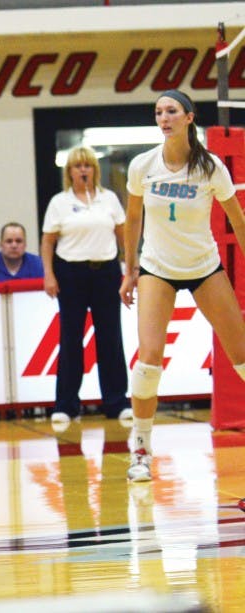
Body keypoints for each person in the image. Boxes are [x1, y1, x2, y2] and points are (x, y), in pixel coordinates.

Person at [120, 89, 245, 482]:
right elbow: (133, 219)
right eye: (159, 112)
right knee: (148, 362)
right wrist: (130, 268)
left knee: (242, 355)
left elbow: (237, 220)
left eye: (172, 111)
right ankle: (141, 449)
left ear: (189, 117)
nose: (164, 117)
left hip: (204, 266)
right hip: (157, 268)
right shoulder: (142, 165)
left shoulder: (211, 168)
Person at [41, 145, 128, 426]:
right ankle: (66, 405)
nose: (83, 170)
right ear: (69, 172)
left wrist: (131, 268)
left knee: (110, 337)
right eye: (78, 166)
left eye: (87, 165)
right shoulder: (59, 202)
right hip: (71, 274)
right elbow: (48, 242)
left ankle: (116, 402)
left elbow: (124, 235)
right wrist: (49, 274)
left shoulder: (109, 199)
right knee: (70, 338)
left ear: (95, 170)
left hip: (106, 272)